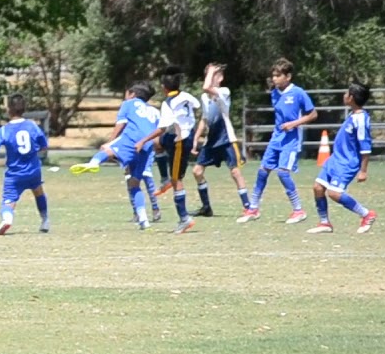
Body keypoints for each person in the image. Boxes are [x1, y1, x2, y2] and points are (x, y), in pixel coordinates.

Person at [71, 81, 162, 230]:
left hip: (133, 138)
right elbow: (158, 135)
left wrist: (110, 142)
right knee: (134, 183)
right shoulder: (154, 111)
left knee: (107, 151)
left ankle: (93, 163)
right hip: (147, 145)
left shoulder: (129, 104)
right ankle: (144, 220)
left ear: (132, 94)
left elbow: (120, 125)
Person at [237, 58, 317, 224]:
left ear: (288, 76)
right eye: (273, 75)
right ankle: (253, 208)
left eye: (278, 75)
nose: (274, 79)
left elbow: (313, 114)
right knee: (262, 171)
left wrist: (294, 124)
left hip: (291, 140)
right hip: (276, 138)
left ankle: (298, 210)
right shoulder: (274, 93)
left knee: (282, 172)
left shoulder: (298, 93)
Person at [0, 93, 50, 236]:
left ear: (9, 110)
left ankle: (7, 218)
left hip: (15, 174)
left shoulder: (5, 130)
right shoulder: (32, 126)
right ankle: (45, 220)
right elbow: (43, 146)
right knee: (38, 191)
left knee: (9, 201)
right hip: (33, 170)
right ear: (24, 109)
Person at [307, 82, 378, 234]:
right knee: (318, 187)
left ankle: (366, 214)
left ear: (351, 98)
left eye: (346, 93)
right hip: (334, 160)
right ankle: (324, 223)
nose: (344, 95)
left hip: (347, 163)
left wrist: (363, 170)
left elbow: (365, 147)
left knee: (334, 193)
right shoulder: (353, 115)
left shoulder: (361, 120)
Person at [137, 66, 201, 233]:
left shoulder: (168, 104)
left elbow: (162, 128)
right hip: (184, 136)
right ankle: (165, 178)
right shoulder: (186, 96)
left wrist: (142, 141)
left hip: (179, 141)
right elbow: (196, 104)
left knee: (177, 180)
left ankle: (184, 218)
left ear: (164, 88)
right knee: (158, 143)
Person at [190, 62, 251, 218]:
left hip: (226, 139)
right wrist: (196, 138)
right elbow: (204, 119)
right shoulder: (204, 98)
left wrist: (211, 71)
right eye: (208, 75)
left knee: (235, 172)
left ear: (221, 78)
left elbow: (206, 87)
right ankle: (206, 208)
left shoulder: (224, 91)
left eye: (214, 75)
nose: (209, 79)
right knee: (197, 171)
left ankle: (249, 208)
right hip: (211, 141)